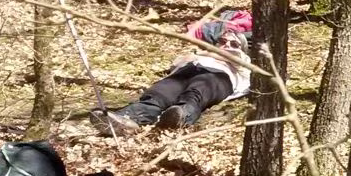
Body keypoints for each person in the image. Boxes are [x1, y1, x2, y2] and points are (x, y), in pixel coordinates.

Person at [93, 32, 251, 136]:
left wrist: (203, 52)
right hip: (187, 72)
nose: (227, 45)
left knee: (197, 91)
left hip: (219, 77)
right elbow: (176, 63)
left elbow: (234, 57)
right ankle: (127, 118)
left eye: (234, 43)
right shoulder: (200, 56)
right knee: (159, 93)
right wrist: (194, 57)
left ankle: (181, 116)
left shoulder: (243, 60)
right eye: (222, 41)